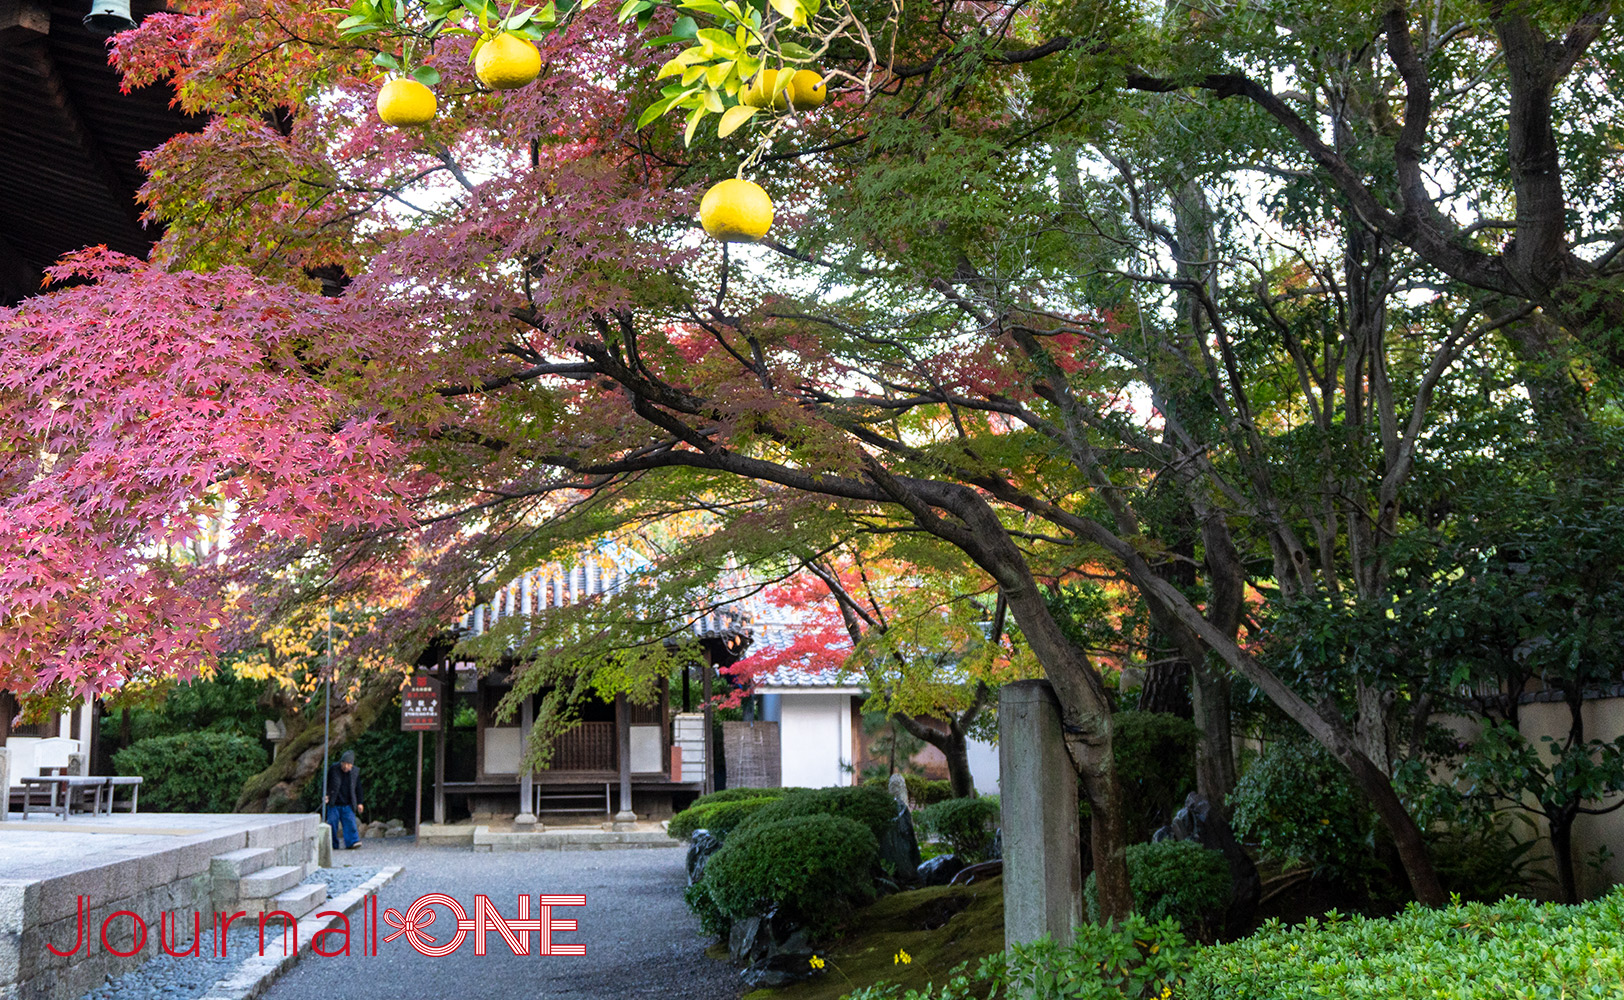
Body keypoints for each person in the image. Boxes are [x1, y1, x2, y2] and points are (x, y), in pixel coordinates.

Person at [324, 750, 365, 850]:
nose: (346, 766)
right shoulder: (334, 769)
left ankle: (352, 842)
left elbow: (358, 788)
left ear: (352, 765)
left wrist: (360, 802)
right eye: (344, 764)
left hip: (348, 803)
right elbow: (326, 782)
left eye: (348, 764)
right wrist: (326, 795)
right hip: (334, 803)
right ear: (341, 762)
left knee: (350, 823)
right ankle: (332, 844)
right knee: (332, 823)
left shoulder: (355, 772)